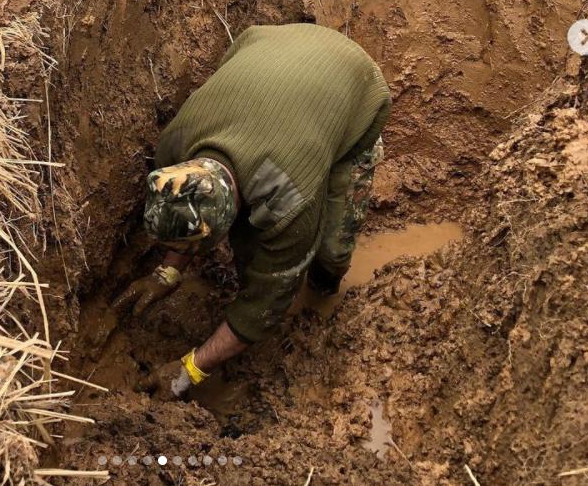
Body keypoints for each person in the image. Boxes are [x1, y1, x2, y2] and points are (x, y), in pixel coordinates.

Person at [113, 23, 390, 401]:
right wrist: (167, 271)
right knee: (260, 239)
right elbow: (184, 211)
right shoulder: (174, 147)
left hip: (355, 83)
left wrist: (189, 370)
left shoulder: (289, 200)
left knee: (330, 251)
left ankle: (325, 288)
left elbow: (264, 306)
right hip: (268, 45)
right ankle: (311, 143)